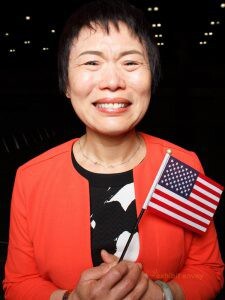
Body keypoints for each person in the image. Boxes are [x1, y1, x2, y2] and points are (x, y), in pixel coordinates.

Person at [3, 0, 224, 299]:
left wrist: (163, 294)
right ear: (66, 83)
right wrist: (71, 299)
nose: (112, 82)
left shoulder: (179, 165)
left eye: (130, 62)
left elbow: (207, 269)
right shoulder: (31, 178)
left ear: (152, 77)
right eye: (92, 62)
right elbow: (19, 282)